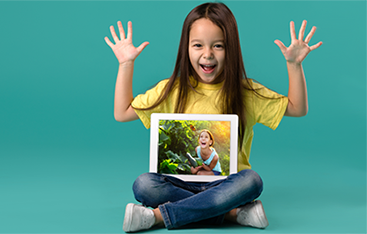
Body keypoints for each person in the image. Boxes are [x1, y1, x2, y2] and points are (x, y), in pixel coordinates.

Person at [104, 2, 322, 233]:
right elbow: (122, 112)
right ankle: (231, 213)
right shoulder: (171, 90)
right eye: (198, 45)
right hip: (182, 184)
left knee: (252, 181)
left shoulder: (246, 92)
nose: (207, 54)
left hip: (228, 185)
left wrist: (294, 65)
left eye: (218, 46)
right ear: (185, 48)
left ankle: (158, 217)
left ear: (231, 49)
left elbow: (297, 108)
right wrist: (126, 64)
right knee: (144, 185)